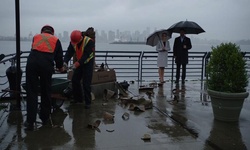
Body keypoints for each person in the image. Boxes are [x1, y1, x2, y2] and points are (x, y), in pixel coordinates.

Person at [24, 25, 64, 130]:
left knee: (31, 92)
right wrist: (60, 67)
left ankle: (30, 122)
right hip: (46, 66)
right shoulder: (56, 40)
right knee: (46, 91)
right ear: (52, 32)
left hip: (31, 64)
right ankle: (45, 118)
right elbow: (59, 58)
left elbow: (34, 50)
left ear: (42, 31)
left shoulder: (36, 37)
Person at [63, 30, 95, 109]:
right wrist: (65, 62)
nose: (74, 44)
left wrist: (77, 64)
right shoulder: (73, 42)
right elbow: (69, 52)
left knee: (86, 83)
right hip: (79, 62)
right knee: (75, 80)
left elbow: (86, 55)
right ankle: (78, 99)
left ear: (80, 38)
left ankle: (88, 103)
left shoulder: (89, 42)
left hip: (88, 63)